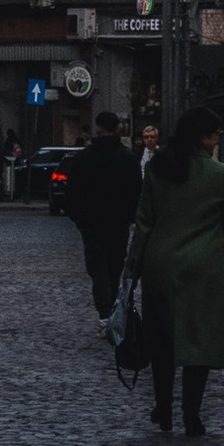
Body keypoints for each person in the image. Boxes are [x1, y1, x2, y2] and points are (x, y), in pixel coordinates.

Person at [126, 101, 224, 438]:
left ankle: (163, 408)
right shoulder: (220, 175)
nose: (220, 136)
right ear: (204, 137)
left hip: (160, 265)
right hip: (203, 266)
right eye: (216, 132)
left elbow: (144, 220)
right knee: (198, 342)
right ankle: (192, 413)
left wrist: (133, 265)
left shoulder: (158, 169)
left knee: (161, 342)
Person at [65, 111, 140, 320]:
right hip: (118, 222)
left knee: (98, 267)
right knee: (114, 267)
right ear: (117, 128)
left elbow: (72, 192)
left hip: (92, 223)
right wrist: (131, 216)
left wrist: (78, 218)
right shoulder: (128, 157)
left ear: (98, 128)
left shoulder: (84, 157)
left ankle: (105, 313)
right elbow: (136, 191)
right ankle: (112, 310)